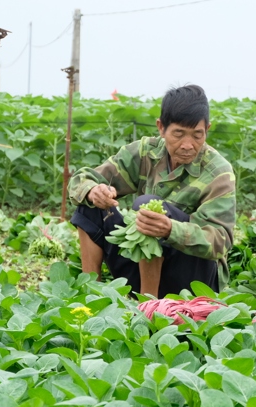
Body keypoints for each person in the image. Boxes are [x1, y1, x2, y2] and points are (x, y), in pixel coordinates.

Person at [68, 84, 236, 298]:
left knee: (146, 206)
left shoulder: (218, 172)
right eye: (178, 134)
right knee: (88, 207)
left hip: (193, 282)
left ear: (207, 130)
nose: (187, 145)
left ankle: (149, 307)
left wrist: (170, 230)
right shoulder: (145, 152)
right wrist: (93, 191)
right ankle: (90, 295)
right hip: (140, 266)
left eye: (197, 135)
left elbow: (220, 240)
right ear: (161, 127)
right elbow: (81, 179)